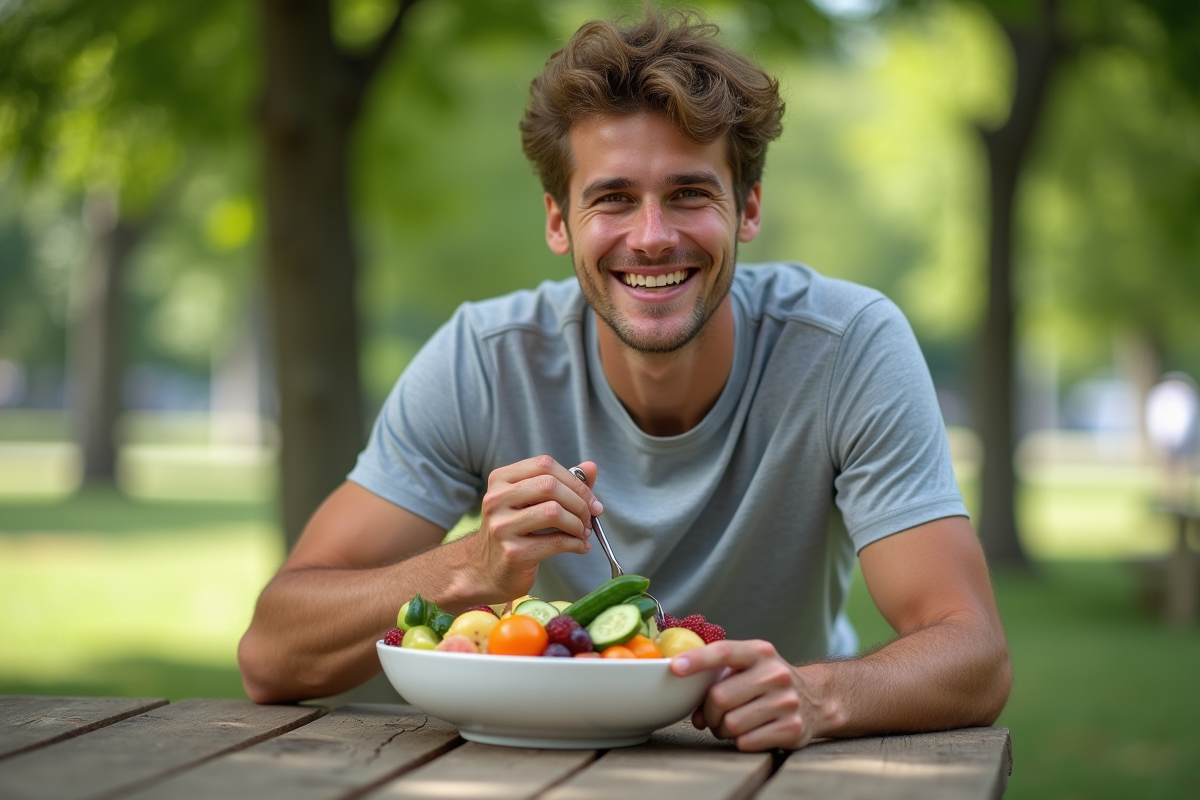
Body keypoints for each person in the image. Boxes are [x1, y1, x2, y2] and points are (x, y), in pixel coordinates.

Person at [238, 8, 1011, 751]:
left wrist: (817, 696)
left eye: (688, 193)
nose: (652, 237)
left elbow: (972, 654)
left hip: (765, 758)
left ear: (747, 209)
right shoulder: (483, 356)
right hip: (524, 759)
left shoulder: (848, 347)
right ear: (556, 221)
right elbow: (272, 656)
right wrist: (472, 567)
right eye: (612, 198)